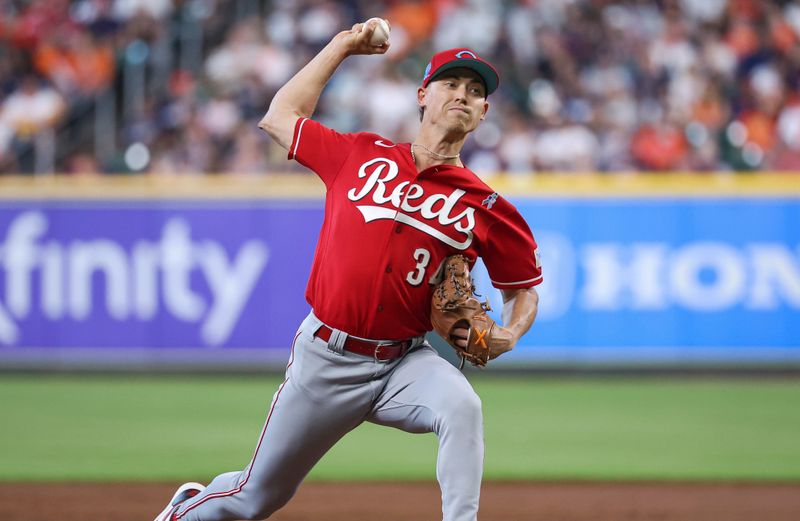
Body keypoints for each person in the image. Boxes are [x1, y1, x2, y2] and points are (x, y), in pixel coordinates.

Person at [154, 19, 542, 521]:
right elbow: (279, 116)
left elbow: (524, 287)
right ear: (423, 95)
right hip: (327, 359)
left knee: (462, 406)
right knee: (254, 498)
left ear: (484, 112)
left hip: (405, 362)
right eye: (451, 84)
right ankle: (186, 509)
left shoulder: (486, 205)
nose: (462, 95)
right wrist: (342, 46)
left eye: (475, 91)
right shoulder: (360, 154)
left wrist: (510, 331)